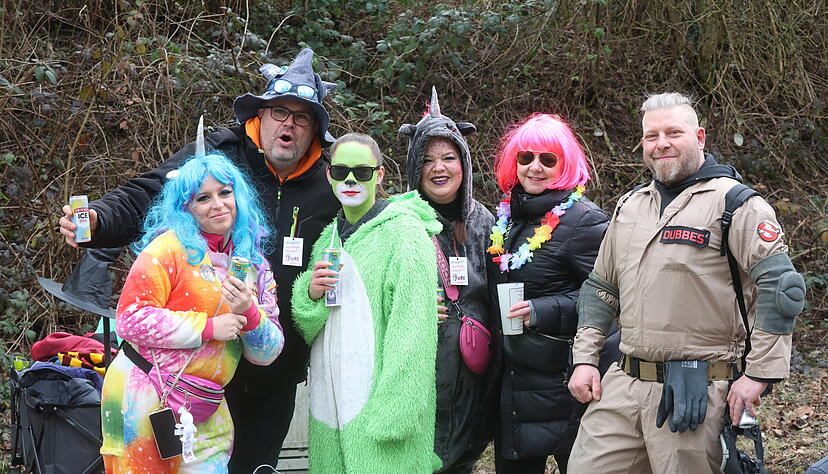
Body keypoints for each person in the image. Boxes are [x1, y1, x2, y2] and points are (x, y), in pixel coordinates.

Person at [58, 48, 341, 472]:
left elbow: (362, 237)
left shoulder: (332, 182)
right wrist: (98, 219)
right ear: (260, 117)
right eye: (280, 112)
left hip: (271, 370)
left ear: (315, 130)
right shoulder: (220, 157)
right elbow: (148, 191)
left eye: (302, 117)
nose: (289, 124)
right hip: (183, 376)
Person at [567, 92, 805, 473]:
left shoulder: (736, 205)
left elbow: (782, 289)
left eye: (673, 132)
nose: (661, 143)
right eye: (651, 136)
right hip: (621, 387)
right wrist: (584, 359)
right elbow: (601, 288)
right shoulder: (630, 206)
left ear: (700, 137)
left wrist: (758, 374)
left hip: (697, 395)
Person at [100, 154, 284, 472]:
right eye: (204, 198)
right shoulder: (166, 250)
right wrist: (208, 327)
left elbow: (268, 353)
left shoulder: (254, 264)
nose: (218, 204)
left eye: (225, 192)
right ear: (188, 207)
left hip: (204, 404)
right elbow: (130, 319)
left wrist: (250, 314)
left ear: (238, 195)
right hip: (144, 395)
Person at [291, 133, 443, 473]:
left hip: (380, 411)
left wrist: (397, 411)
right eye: (341, 170)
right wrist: (310, 294)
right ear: (329, 174)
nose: (350, 179)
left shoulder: (405, 233)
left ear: (380, 174)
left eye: (361, 171)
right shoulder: (328, 237)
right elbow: (310, 325)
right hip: (333, 406)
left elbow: (414, 330)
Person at [488, 114, 609, 473]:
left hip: (565, 385)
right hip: (514, 386)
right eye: (526, 157)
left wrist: (542, 309)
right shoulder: (508, 218)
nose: (535, 167)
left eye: (548, 159)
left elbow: (610, 298)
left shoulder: (585, 221)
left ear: (565, 164)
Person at [398, 88, 498, 473]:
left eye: (448, 157)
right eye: (427, 160)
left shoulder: (484, 222)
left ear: (464, 163)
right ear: (413, 168)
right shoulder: (398, 222)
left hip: (472, 370)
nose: (439, 168)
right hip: (417, 371)